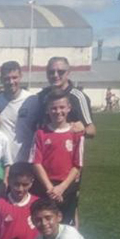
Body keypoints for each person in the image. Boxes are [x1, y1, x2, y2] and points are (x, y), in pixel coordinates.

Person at [29, 90, 83, 226]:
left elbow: (77, 165)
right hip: (44, 187)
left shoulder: (77, 133)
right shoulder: (40, 133)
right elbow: (36, 162)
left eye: (62, 107)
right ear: (47, 110)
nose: (58, 111)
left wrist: (62, 187)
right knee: (44, 224)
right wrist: (50, 188)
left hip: (67, 187)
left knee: (66, 225)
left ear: (69, 108)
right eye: (53, 108)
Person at [0, 61, 40, 162]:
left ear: (21, 77)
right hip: (2, 161)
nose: (11, 82)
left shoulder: (32, 100)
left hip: (26, 161)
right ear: (1, 79)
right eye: (7, 78)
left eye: (14, 77)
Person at [35, 57, 96, 138]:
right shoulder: (42, 96)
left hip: (69, 144)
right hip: (45, 144)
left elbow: (91, 129)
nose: (55, 75)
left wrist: (81, 131)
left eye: (60, 72)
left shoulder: (78, 97)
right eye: (51, 72)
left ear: (68, 72)